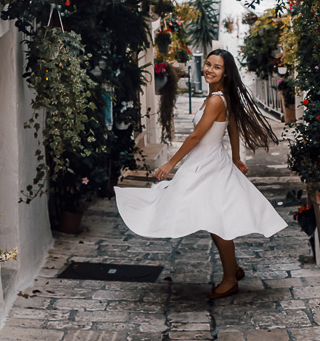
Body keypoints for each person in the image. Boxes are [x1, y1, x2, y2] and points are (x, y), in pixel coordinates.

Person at [114, 48, 287, 299]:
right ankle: (233, 268)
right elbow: (233, 129)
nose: (209, 69)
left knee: (216, 221)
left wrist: (170, 163)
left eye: (216, 67)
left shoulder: (216, 100)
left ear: (225, 74)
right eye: (207, 64)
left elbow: (196, 136)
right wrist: (236, 158)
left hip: (208, 165)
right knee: (214, 218)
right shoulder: (218, 97)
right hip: (210, 161)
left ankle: (230, 278)